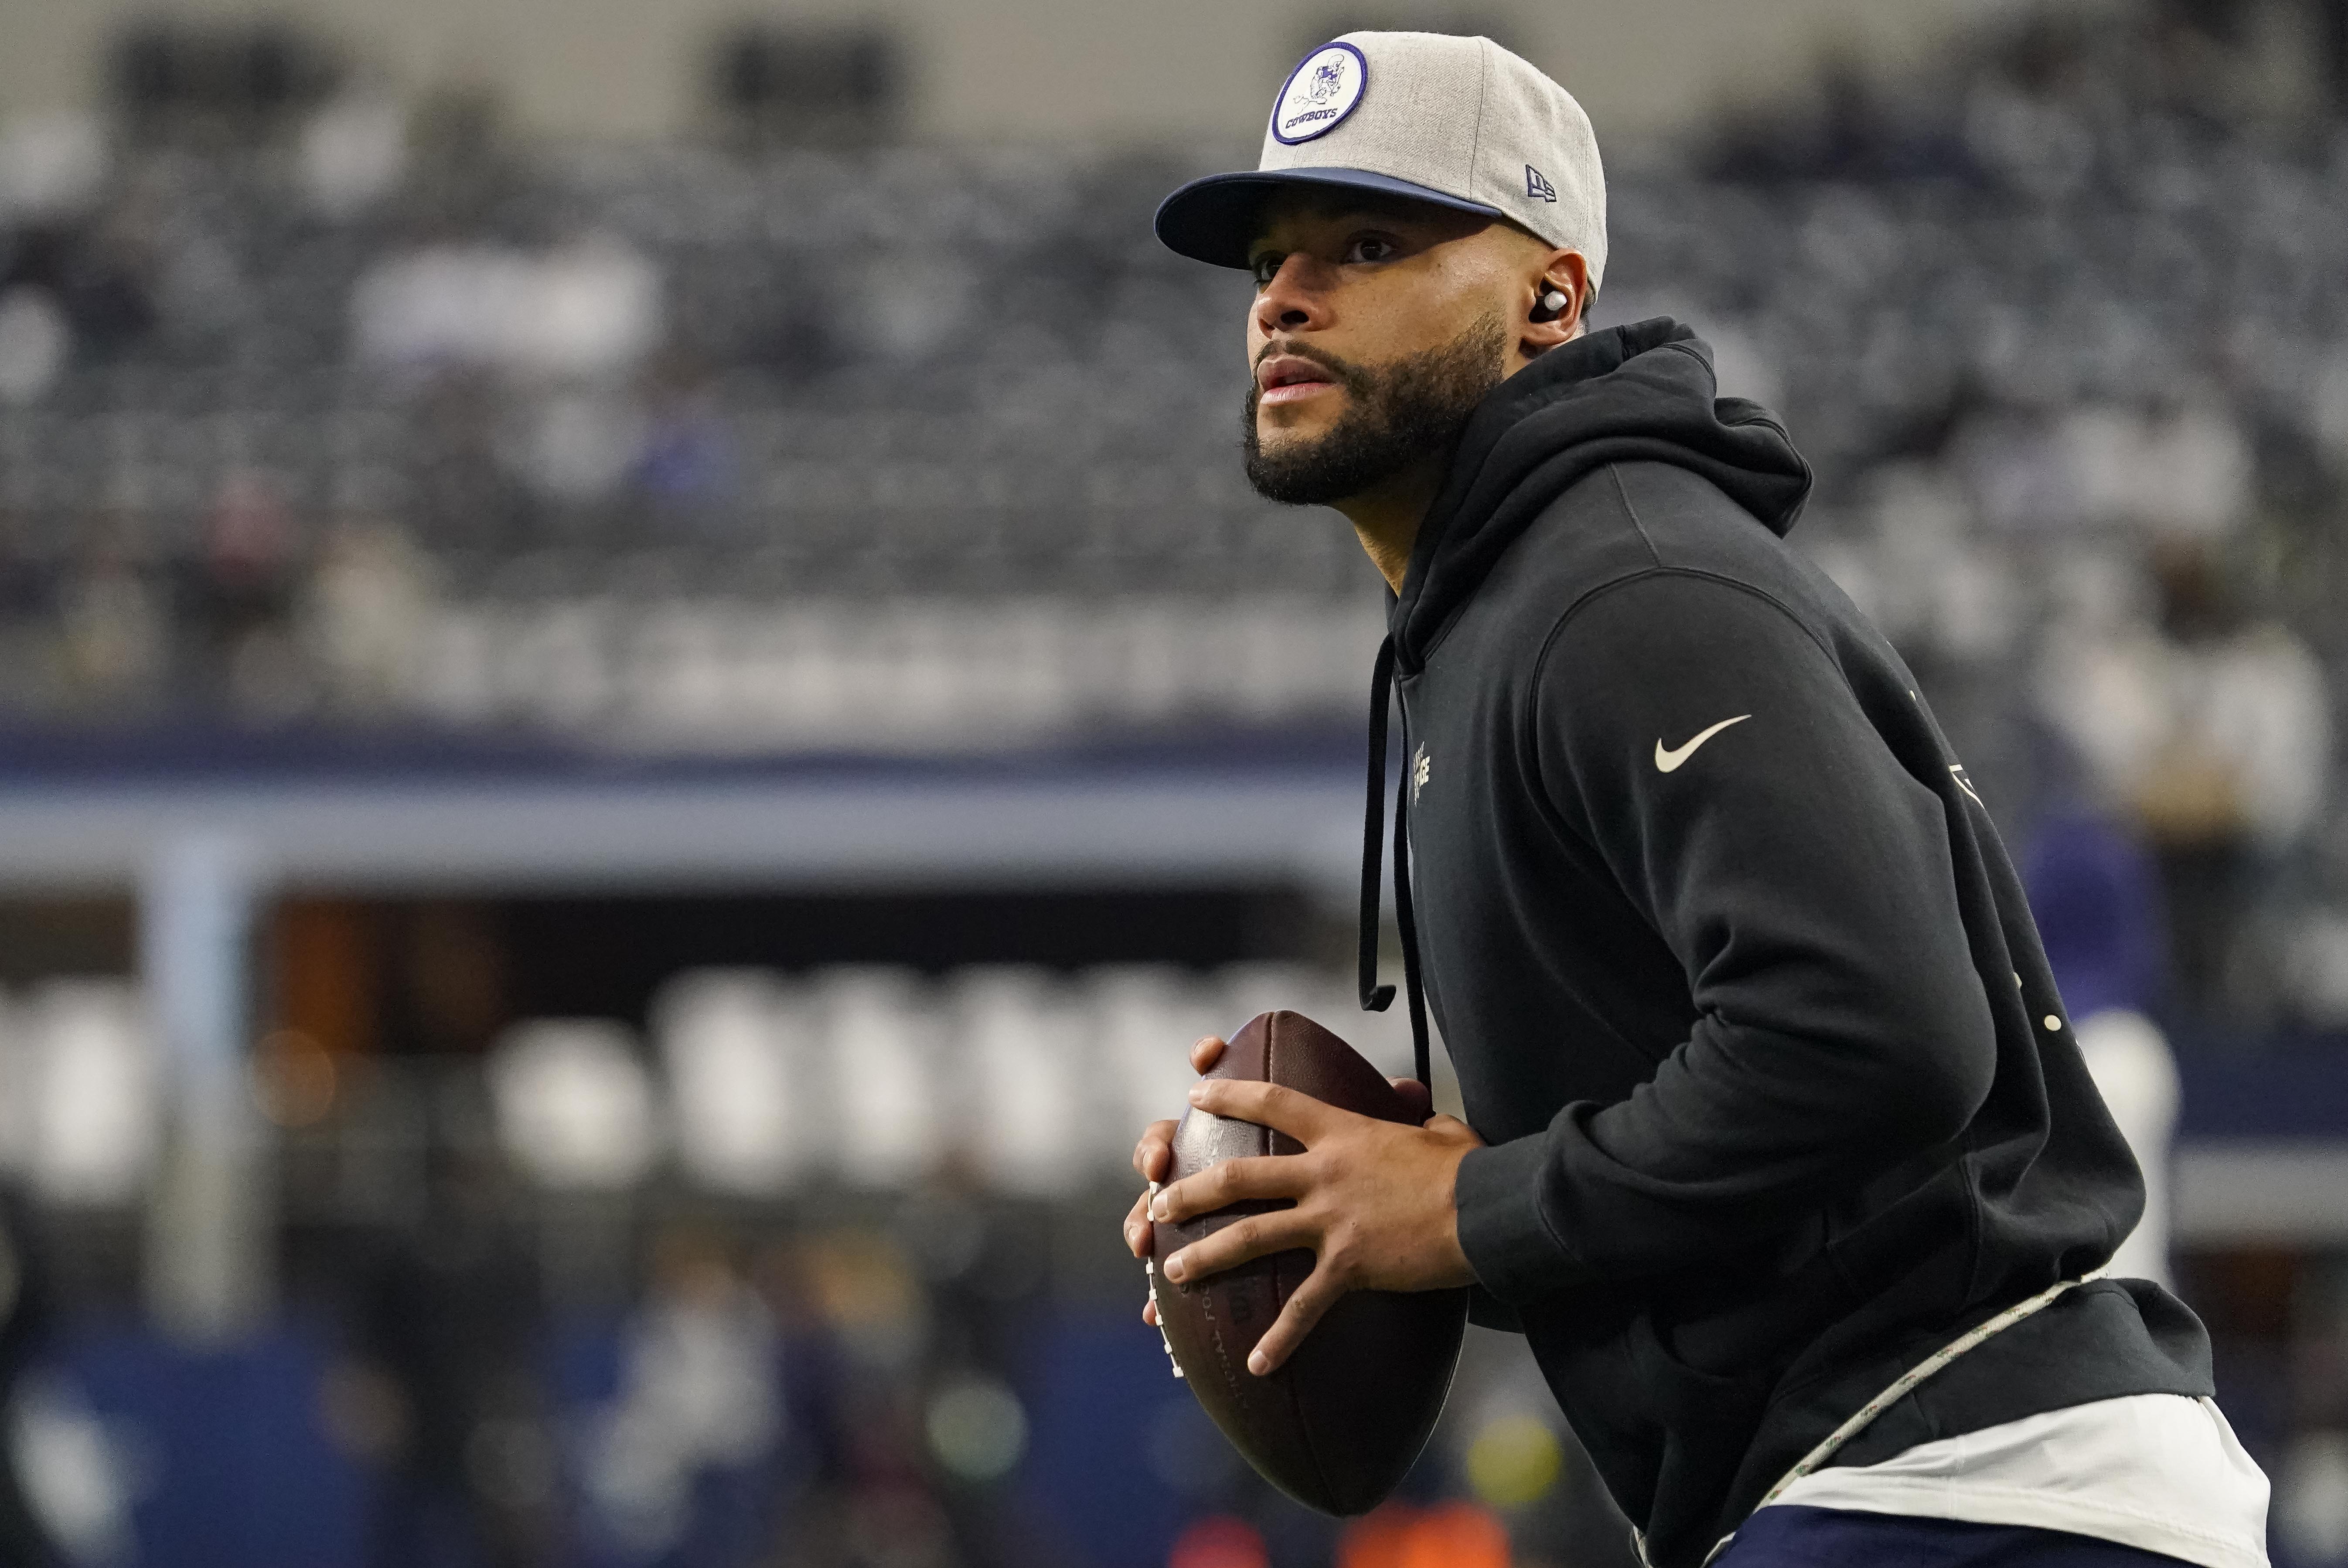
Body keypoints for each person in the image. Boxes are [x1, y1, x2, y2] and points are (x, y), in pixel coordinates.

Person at [1119, 32, 2269, 1568]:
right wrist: (1340, 1211)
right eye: (1270, 259)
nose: (1283, 294)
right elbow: (1742, 1170)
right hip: (1902, 1482)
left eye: (1372, 243)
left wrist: (1467, 1211)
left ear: (1552, 294)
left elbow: (1869, 1032)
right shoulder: (1508, 607)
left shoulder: (1623, 588)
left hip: (1966, 1485)